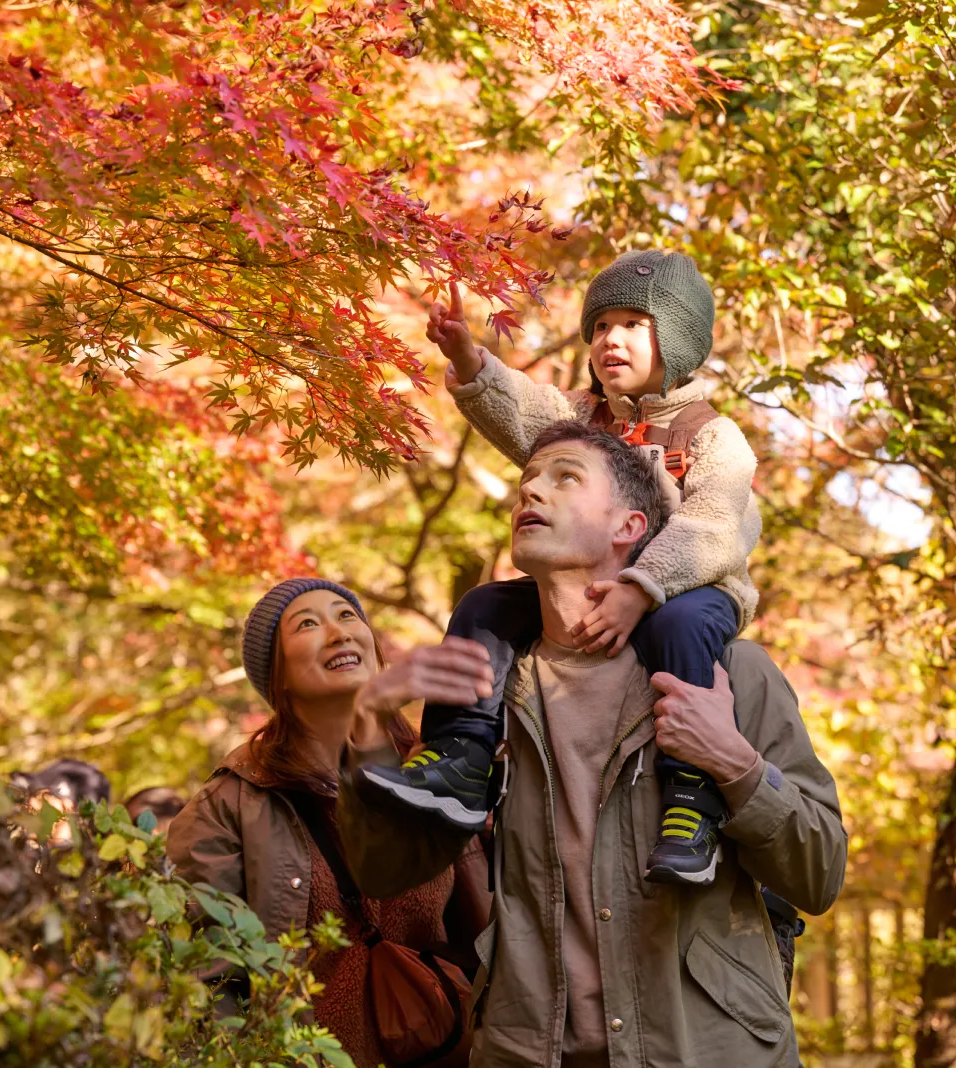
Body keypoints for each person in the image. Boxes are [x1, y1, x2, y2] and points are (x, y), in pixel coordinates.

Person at [339, 424, 846, 1067]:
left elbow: (820, 875)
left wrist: (733, 761)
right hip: (530, 1052)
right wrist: (368, 722)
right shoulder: (485, 685)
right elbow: (387, 872)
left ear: (629, 526)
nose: (531, 490)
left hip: (706, 1052)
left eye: (565, 477)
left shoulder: (732, 674)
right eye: (528, 479)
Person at [362, 250, 760, 887]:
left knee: (679, 629)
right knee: (484, 607)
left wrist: (642, 587)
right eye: (600, 327)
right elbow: (522, 409)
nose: (611, 340)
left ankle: (693, 798)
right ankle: (463, 753)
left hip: (692, 589)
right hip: (589, 586)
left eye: (634, 323)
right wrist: (471, 361)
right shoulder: (583, 419)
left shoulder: (712, 438)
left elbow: (715, 527)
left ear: (679, 337)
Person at [167, 578, 491, 1068]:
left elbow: (490, 927)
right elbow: (206, 981)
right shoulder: (229, 804)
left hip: (446, 1051)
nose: (338, 634)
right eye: (308, 624)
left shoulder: (438, 767)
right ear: (276, 677)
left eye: (346, 616)